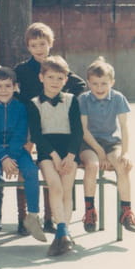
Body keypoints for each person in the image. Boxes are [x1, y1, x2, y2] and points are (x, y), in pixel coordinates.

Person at [12, 22, 86, 234]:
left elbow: (80, 85)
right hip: (31, 122)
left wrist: (66, 101)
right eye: (34, 45)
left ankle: (49, 218)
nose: (39, 49)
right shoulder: (22, 69)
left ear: (50, 44)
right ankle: (23, 217)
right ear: (28, 47)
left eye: (42, 44)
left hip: (54, 122)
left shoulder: (57, 66)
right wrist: (26, 104)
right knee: (25, 164)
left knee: (52, 171)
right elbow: (11, 88)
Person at [0, 67, 46, 243]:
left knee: (31, 171)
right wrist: (4, 158)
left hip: (16, 150)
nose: (3, 90)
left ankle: (32, 216)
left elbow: (21, 134)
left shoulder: (20, 107)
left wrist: (12, 158)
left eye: (8, 86)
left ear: (15, 87)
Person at [26, 56, 83, 257]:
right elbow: (36, 134)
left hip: (69, 152)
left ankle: (63, 233)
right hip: (47, 152)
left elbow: (77, 131)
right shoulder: (34, 103)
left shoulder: (71, 100)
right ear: (41, 77)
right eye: (50, 77)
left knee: (66, 190)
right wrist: (54, 156)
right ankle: (62, 232)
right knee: (55, 186)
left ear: (66, 80)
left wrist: (71, 155)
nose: (55, 82)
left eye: (60, 78)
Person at [78, 57, 135, 233]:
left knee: (123, 165)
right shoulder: (83, 99)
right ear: (88, 83)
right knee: (92, 165)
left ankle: (126, 211)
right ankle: (90, 211)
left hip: (111, 141)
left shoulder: (118, 98)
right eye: (95, 84)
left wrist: (125, 152)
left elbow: (124, 127)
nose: (99, 88)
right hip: (89, 143)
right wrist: (99, 152)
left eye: (104, 83)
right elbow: (83, 130)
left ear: (112, 82)